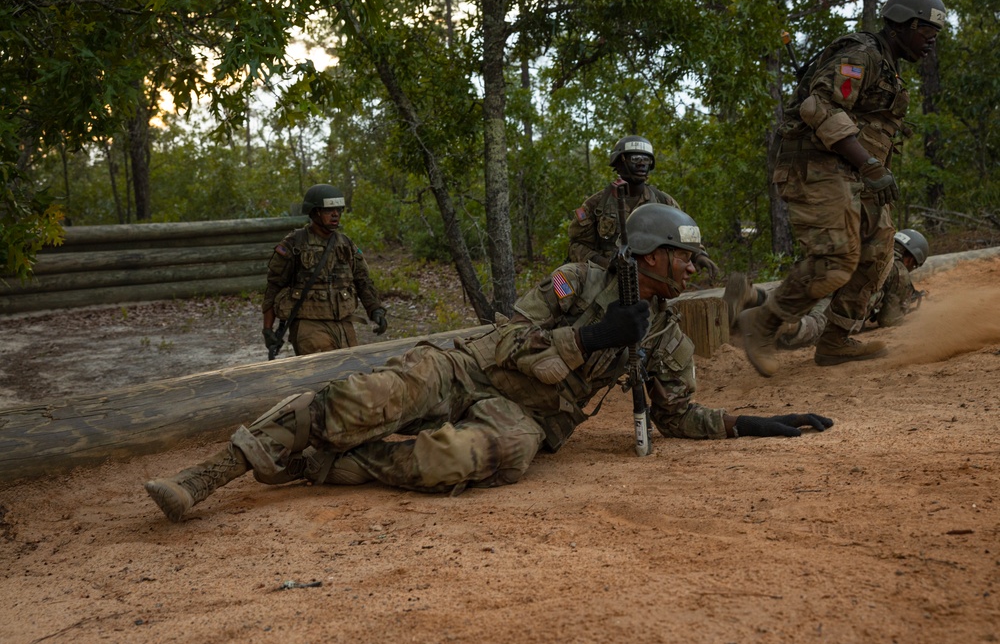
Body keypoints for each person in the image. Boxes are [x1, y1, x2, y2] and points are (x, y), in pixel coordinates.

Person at [145, 204, 834, 523]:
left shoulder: (665, 336)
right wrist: (591, 340)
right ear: (649, 255)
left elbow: (677, 418)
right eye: (683, 255)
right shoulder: (577, 283)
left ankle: (331, 466)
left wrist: (753, 424)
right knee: (358, 401)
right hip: (467, 369)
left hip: (528, 416)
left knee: (487, 458)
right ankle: (209, 475)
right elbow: (508, 343)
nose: (691, 266)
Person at [740, 0, 946, 376]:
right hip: (815, 164)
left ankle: (836, 340)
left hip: (851, 171)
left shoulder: (887, 64)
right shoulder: (861, 55)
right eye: (927, 36)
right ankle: (761, 323)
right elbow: (818, 105)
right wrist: (869, 164)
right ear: (905, 25)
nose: (930, 46)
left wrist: (869, 168)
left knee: (879, 250)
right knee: (836, 258)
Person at [726, 228, 930, 349]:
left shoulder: (869, 243)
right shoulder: (897, 267)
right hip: (837, 293)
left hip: (815, 271)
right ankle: (782, 325)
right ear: (911, 258)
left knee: (787, 299)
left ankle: (751, 294)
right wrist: (907, 310)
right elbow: (889, 319)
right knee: (817, 326)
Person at [261, 184, 388, 356]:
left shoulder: (346, 244)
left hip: (344, 324)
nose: (335, 214)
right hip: (309, 325)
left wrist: (375, 310)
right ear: (314, 213)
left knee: (353, 374)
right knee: (325, 374)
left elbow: (363, 281)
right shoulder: (295, 243)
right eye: (329, 210)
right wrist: (268, 330)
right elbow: (274, 285)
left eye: (338, 210)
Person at [566, 135, 718, 277]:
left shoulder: (663, 202)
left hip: (653, 279)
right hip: (606, 278)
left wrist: (699, 255)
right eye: (635, 158)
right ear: (619, 162)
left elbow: (684, 235)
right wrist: (605, 264)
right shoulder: (597, 204)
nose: (641, 164)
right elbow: (576, 245)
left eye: (646, 160)